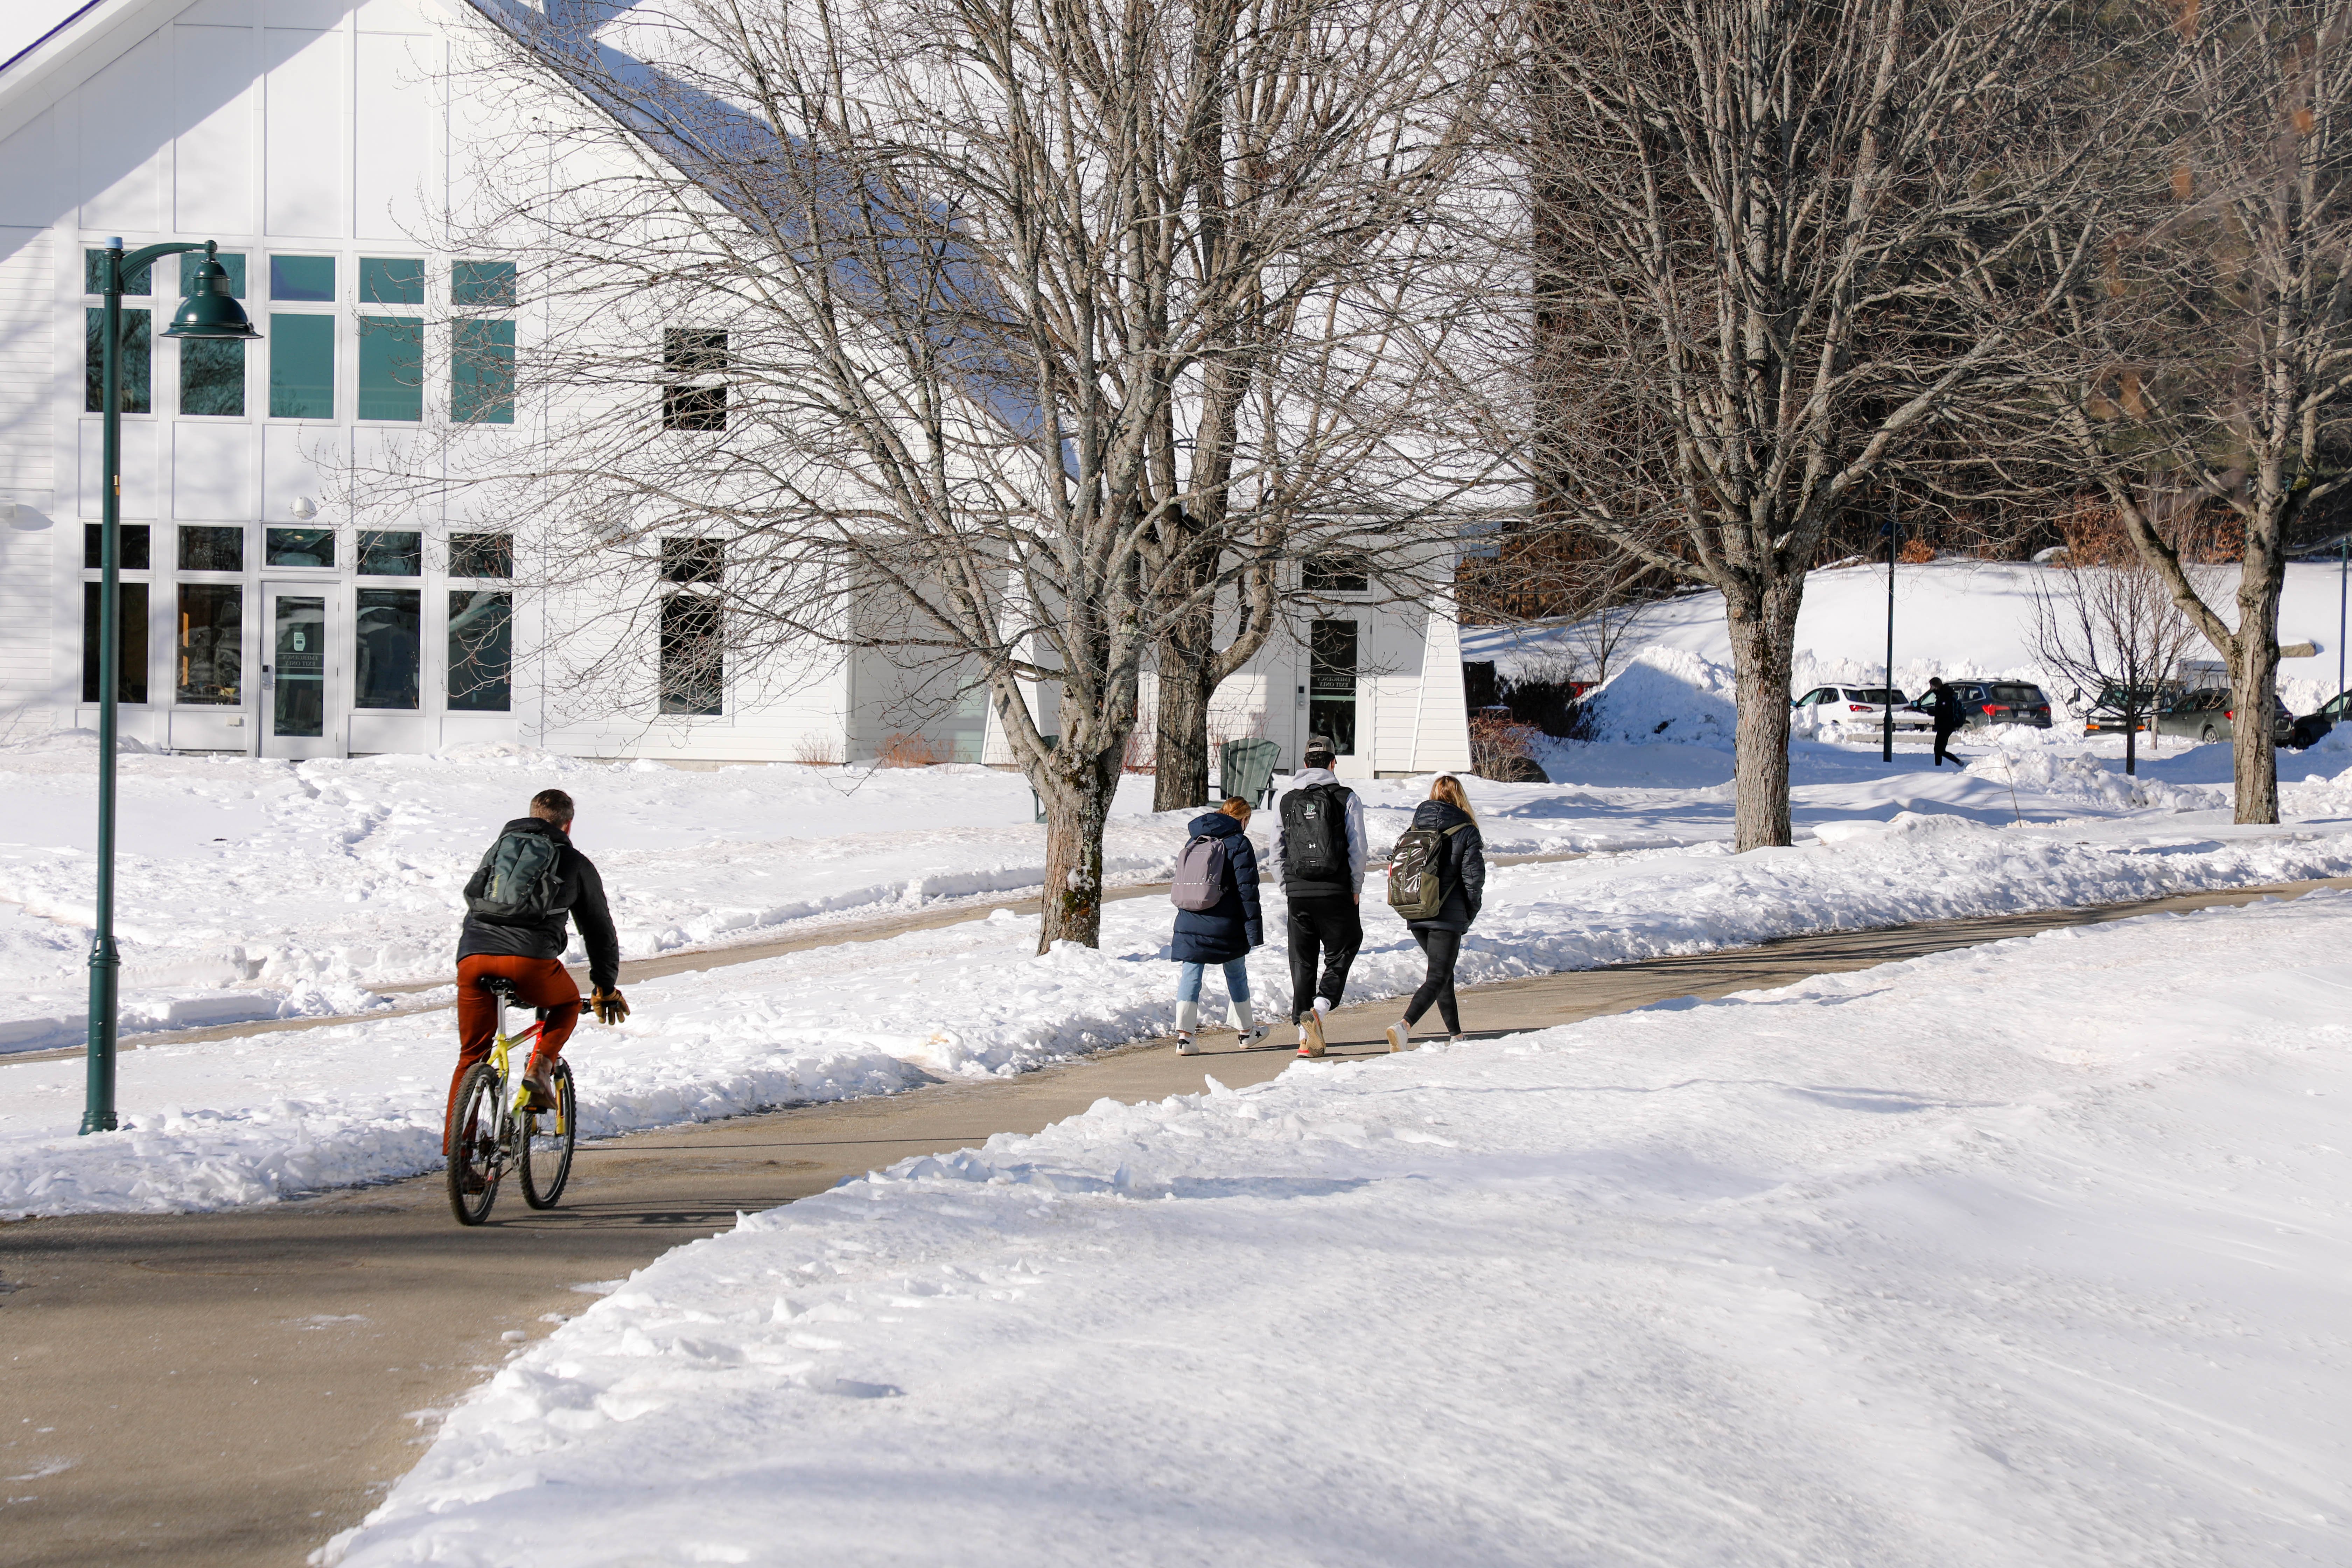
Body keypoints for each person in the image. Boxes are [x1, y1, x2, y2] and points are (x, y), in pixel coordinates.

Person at [449, 789, 628, 1149]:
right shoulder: (574, 861)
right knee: (564, 1006)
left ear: (531, 815)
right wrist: (604, 987)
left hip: (472, 958)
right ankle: (541, 1068)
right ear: (569, 823)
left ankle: (459, 1154)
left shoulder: (499, 850)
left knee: (471, 1057)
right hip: (530, 961)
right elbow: (599, 930)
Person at [1274, 735, 1367, 1058]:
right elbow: (1358, 849)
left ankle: (1305, 1039)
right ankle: (1321, 1007)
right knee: (1345, 947)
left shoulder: (1286, 800)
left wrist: (1287, 887)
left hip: (1298, 893)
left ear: (1304, 764)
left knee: (1302, 962)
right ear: (1333, 763)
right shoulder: (1346, 798)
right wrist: (1355, 887)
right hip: (1336, 890)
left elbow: (1277, 850)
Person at [1386, 775, 1486, 1052]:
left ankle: (1456, 1034)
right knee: (1438, 976)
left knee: (1443, 973)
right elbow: (1474, 880)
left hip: (1415, 910)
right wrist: (1469, 912)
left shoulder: (1415, 826)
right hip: (1446, 915)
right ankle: (1404, 1026)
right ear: (1461, 797)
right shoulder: (1467, 830)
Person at [1170, 796, 1266, 1055]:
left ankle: (1184, 1038)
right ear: (1244, 819)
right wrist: (1254, 932)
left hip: (1190, 919)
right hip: (1226, 924)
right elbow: (1248, 891)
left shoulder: (1195, 840)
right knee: (1236, 972)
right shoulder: (1239, 843)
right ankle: (1247, 1031)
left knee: (1191, 974)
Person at [1923, 676, 1967, 766]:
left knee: (1939, 750)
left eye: (1932, 686)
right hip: (1946, 726)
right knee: (1939, 750)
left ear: (1936, 686)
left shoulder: (1944, 696)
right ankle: (1954, 763)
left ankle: (1955, 763)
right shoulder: (1943, 694)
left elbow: (1942, 712)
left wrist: (1930, 712)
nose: (1931, 688)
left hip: (1946, 726)